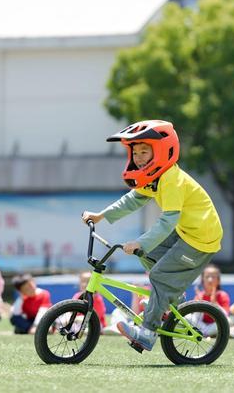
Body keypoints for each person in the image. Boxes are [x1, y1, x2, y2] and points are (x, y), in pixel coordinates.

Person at [81, 120, 224, 352]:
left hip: (201, 239)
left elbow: (167, 221)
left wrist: (140, 241)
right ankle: (168, 301)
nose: (138, 156)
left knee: (159, 274)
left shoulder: (171, 180)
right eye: (135, 152)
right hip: (185, 233)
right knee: (145, 253)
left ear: (160, 151)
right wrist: (101, 215)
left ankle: (147, 334)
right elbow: (133, 199)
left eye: (144, 151)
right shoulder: (155, 175)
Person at [193, 264, 230, 337]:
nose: (210, 280)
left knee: (228, 321)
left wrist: (214, 303)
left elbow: (225, 315)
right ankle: (205, 332)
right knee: (187, 317)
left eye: (213, 277)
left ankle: (203, 333)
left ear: (218, 280)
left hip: (215, 325)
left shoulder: (222, 295)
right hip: (201, 325)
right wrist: (200, 303)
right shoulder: (199, 296)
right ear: (202, 280)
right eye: (207, 277)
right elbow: (196, 318)